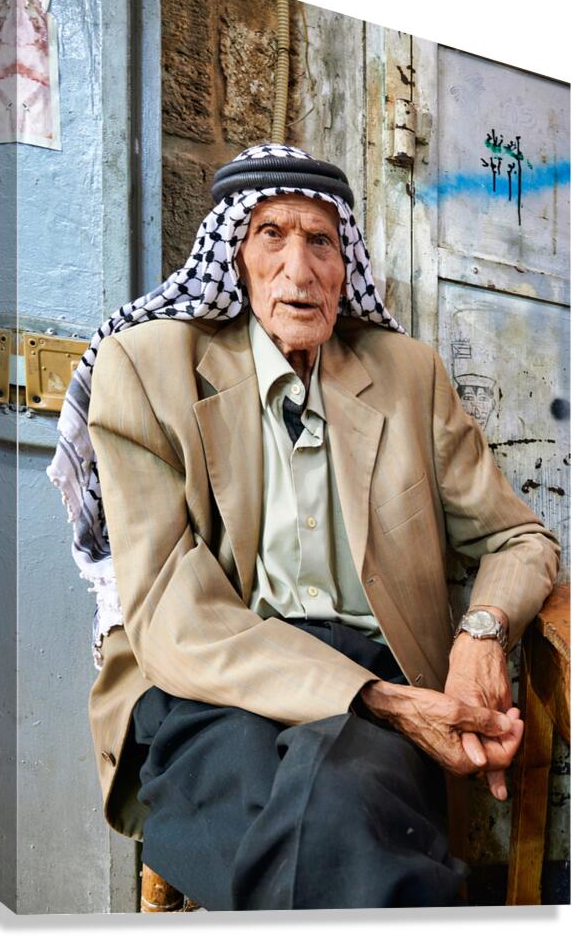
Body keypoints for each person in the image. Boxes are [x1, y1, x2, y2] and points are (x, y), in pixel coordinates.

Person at [48, 143, 560, 911]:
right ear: (233, 257)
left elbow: (520, 539)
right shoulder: (149, 369)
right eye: (272, 236)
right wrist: (384, 701)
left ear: (345, 261)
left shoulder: (406, 377)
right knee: (332, 818)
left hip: (377, 690)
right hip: (209, 685)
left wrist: (481, 631)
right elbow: (172, 613)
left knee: (331, 804)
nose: (301, 268)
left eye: (321, 240)